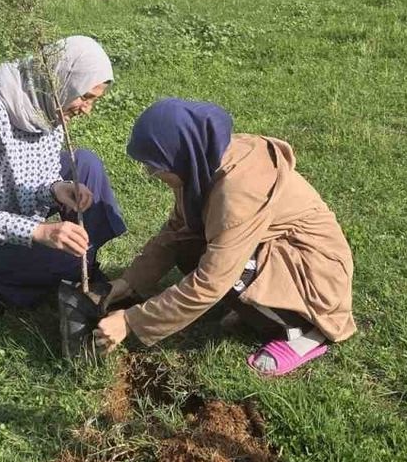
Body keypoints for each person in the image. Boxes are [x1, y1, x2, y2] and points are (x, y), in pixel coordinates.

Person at [94, 99, 355, 376]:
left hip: (316, 277)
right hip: (274, 249)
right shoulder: (203, 161)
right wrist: (129, 281)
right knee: (189, 245)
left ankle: (307, 333)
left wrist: (130, 321)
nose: (151, 174)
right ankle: (261, 308)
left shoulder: (237, 192)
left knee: (232, 274)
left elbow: (211, 282)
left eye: (155, 167)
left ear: (180, 155)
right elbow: (177, 230)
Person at [0, 36, 126, 316]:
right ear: (65, 81)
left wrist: (56, 188)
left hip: (5, 197)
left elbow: (37, 171)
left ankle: (88, 263)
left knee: (85, 165)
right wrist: (40, 231)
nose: (87, 110)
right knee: (66, 264)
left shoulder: (47, 103)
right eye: (86, 97)